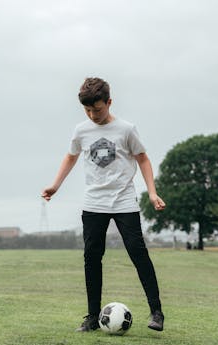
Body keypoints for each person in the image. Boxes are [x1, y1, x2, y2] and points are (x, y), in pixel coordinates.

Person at [41, 77, 166, 332]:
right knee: (92, 258)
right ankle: (91, 317)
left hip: (123, 201)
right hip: (94, 203)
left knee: (138, 254)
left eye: (97, 109)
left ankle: (156, 313)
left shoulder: (126, 129)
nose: (92, 114)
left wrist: (152, 193)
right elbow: (70, 156)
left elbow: (142, 158)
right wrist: (55, 185)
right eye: (87, 110)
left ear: (109, 102)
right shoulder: (81, 131)